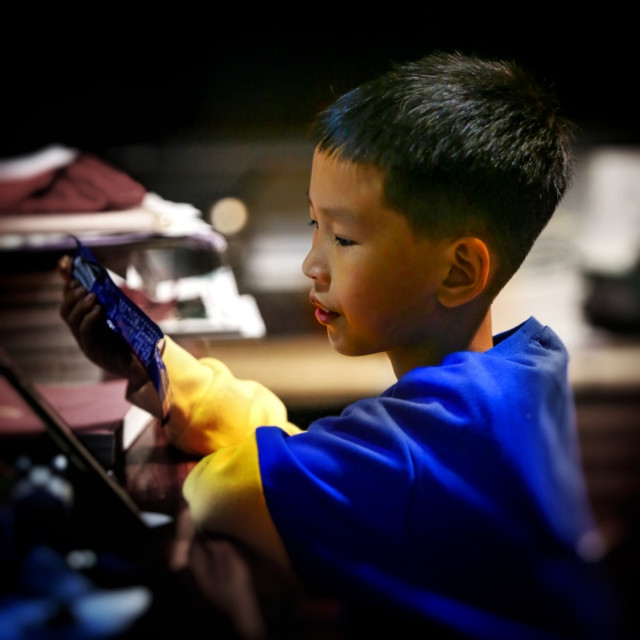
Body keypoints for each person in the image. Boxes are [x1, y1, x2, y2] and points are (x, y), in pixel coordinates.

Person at [58, 52, 629, 639]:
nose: (312, 264)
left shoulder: (417, 452)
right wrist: (166, 371)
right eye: (315, 225)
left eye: (345, 238)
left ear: (459, 272)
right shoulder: (526, 365)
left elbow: (225, 492)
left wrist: (234, 432)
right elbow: (323, 463)